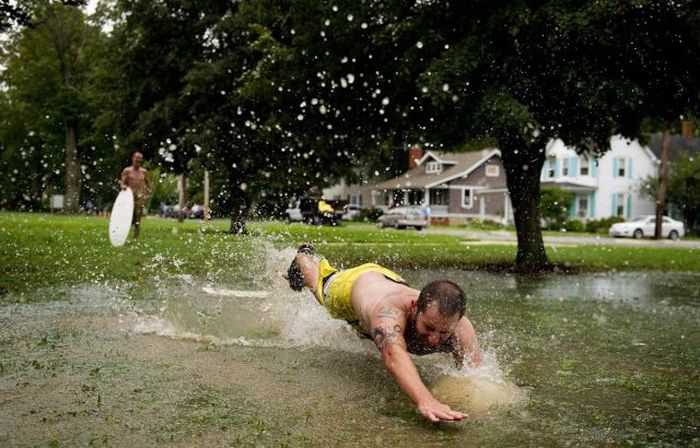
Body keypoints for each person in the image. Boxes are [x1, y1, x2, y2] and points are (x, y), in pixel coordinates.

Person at [286, 245, 482, 422]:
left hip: (390, 281)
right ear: (414, 308)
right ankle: (304, 257)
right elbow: (392, 355)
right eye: (429, 328)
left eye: (443, 332)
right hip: (356, 285)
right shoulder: (387, 311)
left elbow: (475, 374)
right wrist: (426, 400)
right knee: (321, 291)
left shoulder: (461, 328)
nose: (434, 339)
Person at [119, 151, 150, 241]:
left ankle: (135, 239)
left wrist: (146, 194)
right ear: (133, 158)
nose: (139, 160)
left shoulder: (144, 172)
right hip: (128, 198)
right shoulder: (127, 170)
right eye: (137, 158)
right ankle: (122, 236)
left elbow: (148, 185)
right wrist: (123, 186)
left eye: (140, 158)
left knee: (137, 220)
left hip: (139, 198)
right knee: (127, 219)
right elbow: (122, 182)